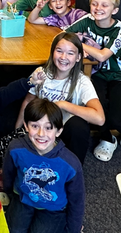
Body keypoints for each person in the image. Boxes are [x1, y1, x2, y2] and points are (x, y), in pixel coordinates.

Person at [3, 99, 85, 233]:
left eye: (48, 128)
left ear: (59, 131)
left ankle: (57, 223)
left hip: (53, 209)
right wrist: (9, 192)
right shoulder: (15, 148)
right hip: (23, 198)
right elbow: (9, 172)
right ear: (26, 126)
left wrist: (74, 226)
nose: (41, 134)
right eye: (35, 126)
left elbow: (77, 197)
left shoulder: (70, 163)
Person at [67, 0, 121, 163]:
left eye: (104, 5)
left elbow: (102, 56)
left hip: (116, 74)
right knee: (96, 109)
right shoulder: (87, 20)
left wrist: (81, 45)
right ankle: (107, 138)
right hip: (95, 72)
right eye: (94, 4)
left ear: (114, 10)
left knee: (116, 117)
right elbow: (63, 35)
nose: (98, 8)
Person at [17, 32, 105, 163]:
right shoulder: (42, 73)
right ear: (52, 53)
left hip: (63, 134)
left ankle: (73, 170)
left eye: (70, 53)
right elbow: (28, 101)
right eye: (59, 51)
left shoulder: (82, 82)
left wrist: (63, 105)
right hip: (40, 130)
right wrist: (17, 132)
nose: (64, 57)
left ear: (78, 57)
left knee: (79, 126)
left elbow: (99, 119)